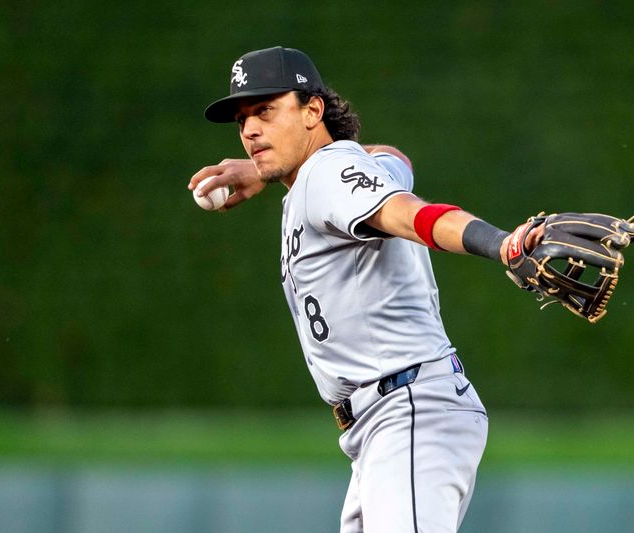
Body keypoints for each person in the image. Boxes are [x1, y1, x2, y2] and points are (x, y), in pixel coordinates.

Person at [189, 46, 542, 533]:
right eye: (243, 118)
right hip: (391, 421)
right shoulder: (334, 169)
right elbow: (395, 160)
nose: (250, 129)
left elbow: (411, 216)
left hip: (410, 411)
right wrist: (264, 171)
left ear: (313, 110)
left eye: (266, 111)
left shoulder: (323, 176)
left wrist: (499, 243)